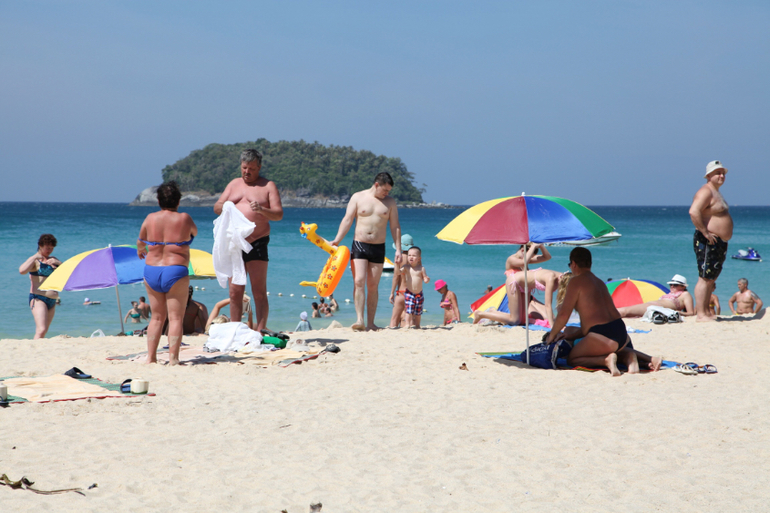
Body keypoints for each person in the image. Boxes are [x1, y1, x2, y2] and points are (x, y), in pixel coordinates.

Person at [546, 248, 661, 376]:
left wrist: (552, 335)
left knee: (573, 359)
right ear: (590, 263)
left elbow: (563, 315)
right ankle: (648, 358)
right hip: (621, 332)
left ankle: (606, 360)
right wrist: (571, 336)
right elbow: (587, 328)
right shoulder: (600, 283)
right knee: (608, 348)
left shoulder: (576, 281)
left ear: (573, 264)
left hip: (602, 335)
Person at [214, 148, 283, 332]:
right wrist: (227, 205)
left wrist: (261, 210)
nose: (247, 172)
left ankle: (260, 330)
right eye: (244, 168)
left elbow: (278, 214)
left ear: (259, 167)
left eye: (251, 168)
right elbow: (216, 207)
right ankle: (235, 330)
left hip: (257, 241)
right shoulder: (233, 184)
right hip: (235, 243)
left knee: (258, 291)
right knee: (235, 291)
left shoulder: (268, 186)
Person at [331, 172, 402, 331]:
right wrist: (337, 240)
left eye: (389, 191)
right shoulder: (358, 197)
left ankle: (371, 323)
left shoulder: (390, 202)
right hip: (360, 244)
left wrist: (398, 249)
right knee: (358, 281)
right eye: (385, 190)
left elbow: (395, 226)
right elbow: (347, 220)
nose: (387, 193)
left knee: (373, 285)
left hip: (378, 246)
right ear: (376, 185)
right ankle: (359, 320)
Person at [137, 181, 198, 365]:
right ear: (178, 201)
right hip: (175, 269)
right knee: (175, 317)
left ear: (158, 201)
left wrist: (141, 249)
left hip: (152, 270)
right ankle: (173, 359)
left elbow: (141, 241)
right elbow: (194, 232)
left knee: (156, 317)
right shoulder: (184, 218)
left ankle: (151, 358)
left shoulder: (150, 218)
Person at [473, 243, 564, 327]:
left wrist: (541, 246)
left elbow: (547, 257)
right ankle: (481, 314)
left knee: (523, 320)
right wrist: (532, 247)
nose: (530, 258)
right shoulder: (512, 259)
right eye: (530, 255)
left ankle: (493, 312)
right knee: (515, 320)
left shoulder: (525, 258)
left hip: (525, 288)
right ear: (522, 250)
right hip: (514, 288)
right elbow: (524, 262)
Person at [690, 160, 733, 322]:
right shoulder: (706, 191)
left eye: (723, 173)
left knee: (711, 278)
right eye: (717, 173)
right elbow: (694, 211)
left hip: (718, 241)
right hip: (708, 240)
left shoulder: (716, 192)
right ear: (708, 176)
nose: (721, 176)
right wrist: (705, 232)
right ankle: (701, 314)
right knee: (704, 277)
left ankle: (707, 312)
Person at [19, 234, 61, 339]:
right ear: (40, 246)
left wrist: (58, 263)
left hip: (52, 300)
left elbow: (67, 273)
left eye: (52, 248)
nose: (50, 250)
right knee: (41, 329)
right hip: (38, 298)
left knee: (44, 331)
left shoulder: (53, 259)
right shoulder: (35, 260)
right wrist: (34, 257)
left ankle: (37, 346)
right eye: (47, 248)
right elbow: (22, 271)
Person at [617, 274, 695, 318]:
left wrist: (679, 313)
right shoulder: (670, 294)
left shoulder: (685, 294)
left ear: (683, 286)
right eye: (671, 284)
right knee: (625, 311)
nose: (672, 286)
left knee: (625, 311)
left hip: (656, 308)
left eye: (675, 285)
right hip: (651, 305)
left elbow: (691, 313)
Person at [388, 234, 415, 328]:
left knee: (394, 319)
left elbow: (396, 276)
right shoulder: (416, 260)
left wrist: (392, 293)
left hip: (401, 292)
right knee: (408, 319)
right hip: (412, 293)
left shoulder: (399, 258)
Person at [399, 246, 430, 328]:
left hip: (419, 293)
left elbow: (425, 278)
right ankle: (407, 324)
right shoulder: (406, 267)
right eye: (409, 255)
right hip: (409, 292)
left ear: (419, 258)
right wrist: (399, 264)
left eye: (414, 255)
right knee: (409, 310)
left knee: (418, 312)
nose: (411, 257)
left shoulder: (421, 268)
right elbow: (399, 272)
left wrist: (426, 279)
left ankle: (417, 325)